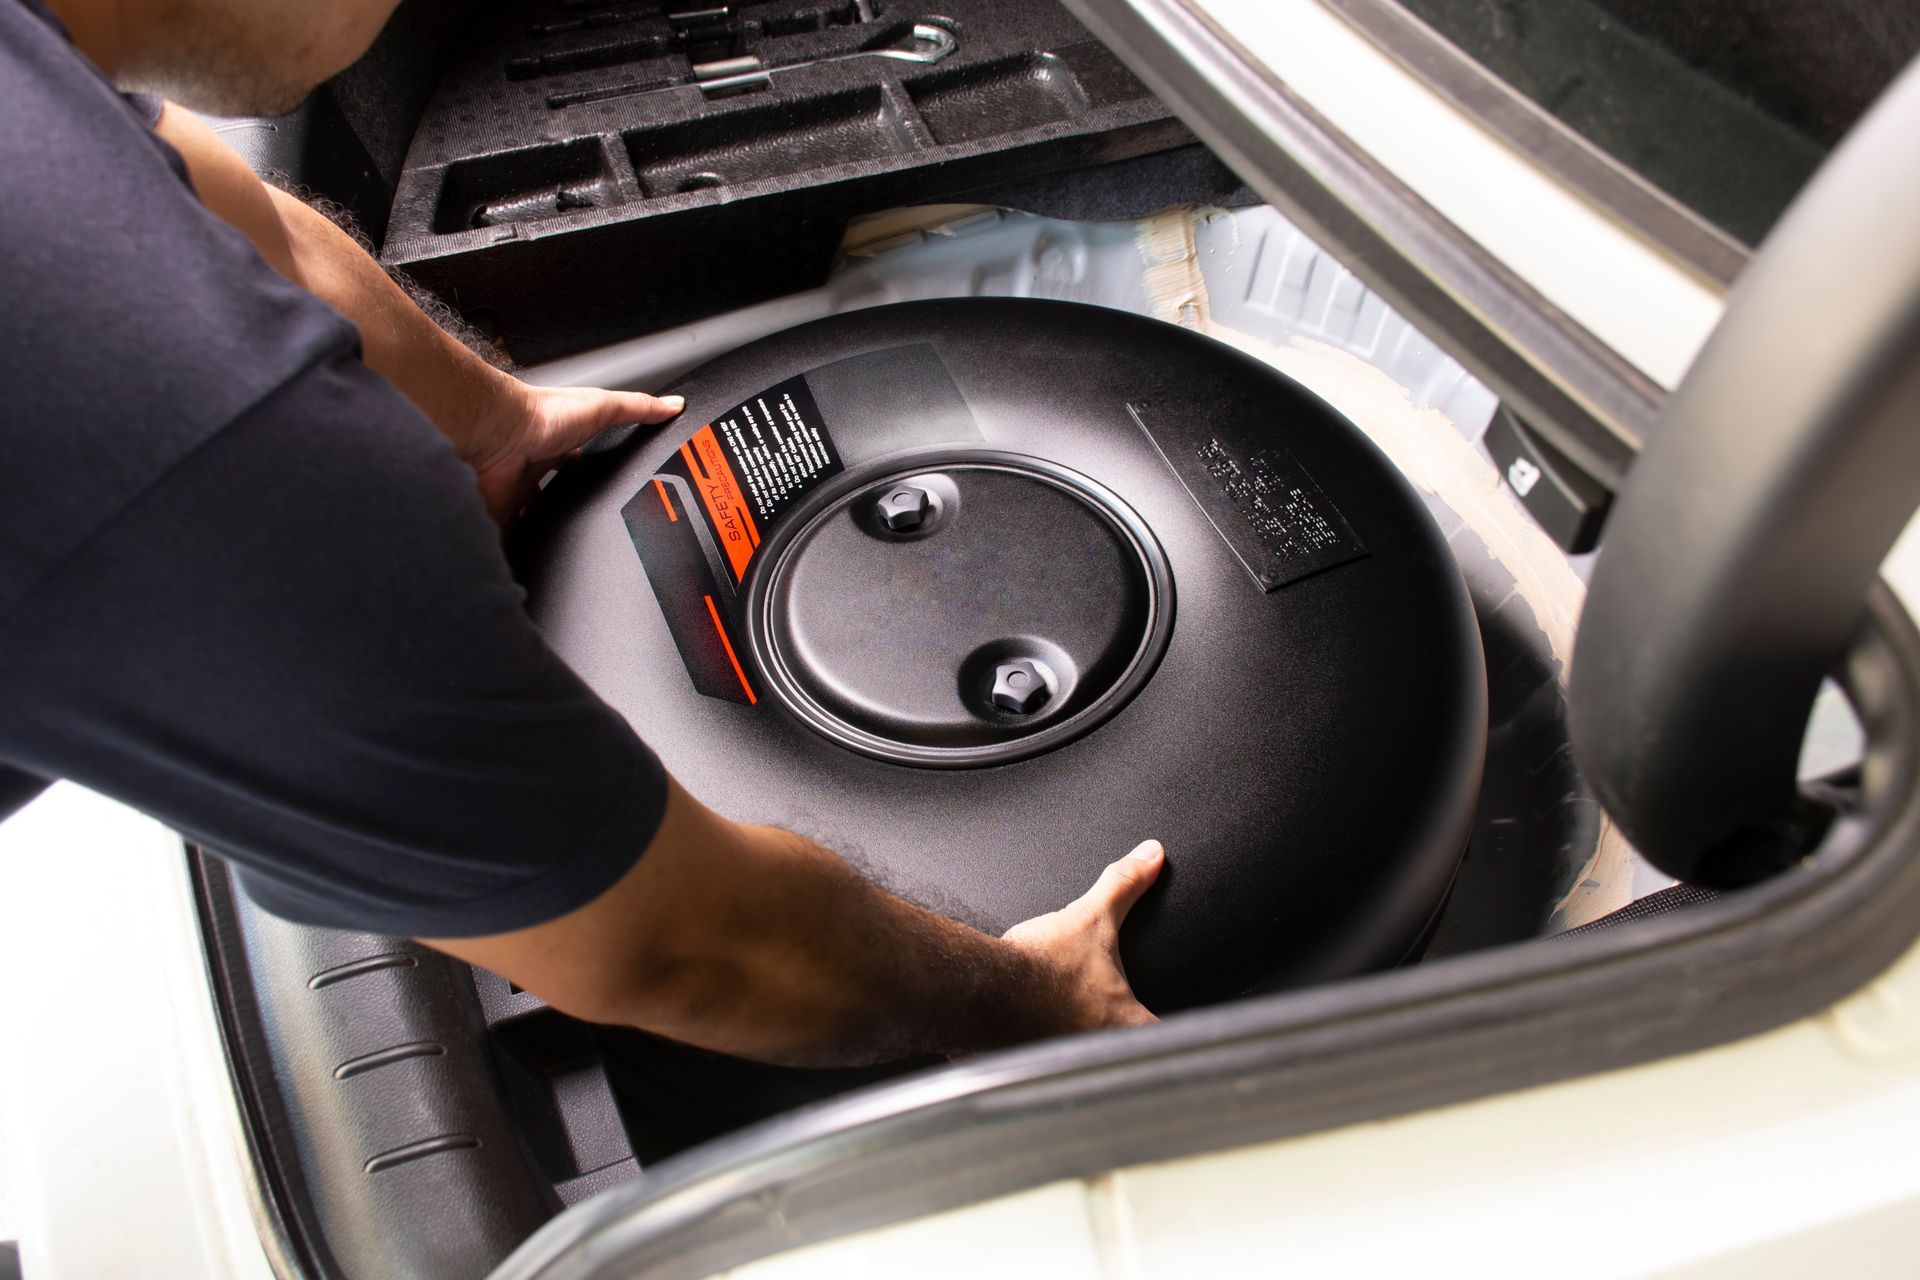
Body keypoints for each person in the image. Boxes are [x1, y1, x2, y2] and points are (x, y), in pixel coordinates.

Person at [0, 0, 1164, 1067]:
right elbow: (681, 946)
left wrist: (494, 420)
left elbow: (237, 211)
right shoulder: (214, 456)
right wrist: (1031, 995)